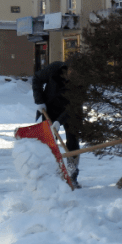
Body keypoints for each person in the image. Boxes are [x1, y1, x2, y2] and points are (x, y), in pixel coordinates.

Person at [32, 59, 83, 188]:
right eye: (71, 72)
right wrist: (40, 101)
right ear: (67, 67)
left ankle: (72, 176)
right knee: (49, 143)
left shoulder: (81, 82)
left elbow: (74, 106)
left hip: (71, 112)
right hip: (50, 108)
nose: (71, 76)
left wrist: (59, 121)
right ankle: (51, 175)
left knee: (73, 141)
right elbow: (37, 79)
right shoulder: (54, 68)